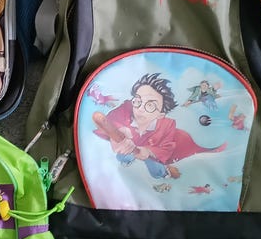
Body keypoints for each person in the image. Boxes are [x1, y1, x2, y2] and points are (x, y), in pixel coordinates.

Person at [92, 73, 226, 179]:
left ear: (161, 114)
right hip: (127, 149)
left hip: (149, 153)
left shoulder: (167, 125)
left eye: (150, 105)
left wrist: (148, 151)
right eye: (138, 100)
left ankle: (163, 173)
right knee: (123, 155)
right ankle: (126, 160)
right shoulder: (127, 107)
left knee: (156, 169)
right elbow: (109, 120)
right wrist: (120, 129)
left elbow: (166, 148)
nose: (140, 108)